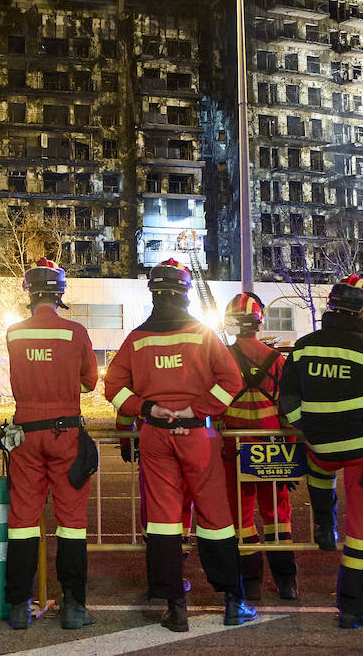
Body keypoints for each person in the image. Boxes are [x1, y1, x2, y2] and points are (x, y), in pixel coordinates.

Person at [103, 259, 255, 632]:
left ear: (153, 292)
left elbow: (113, 389)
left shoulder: (137, 338)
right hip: (199, 434)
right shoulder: (202, 334)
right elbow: (231, 381)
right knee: (216, 518)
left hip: (155, 435)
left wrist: (147, 408)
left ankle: (175, 606)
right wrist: (197, 408)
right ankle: (234, 602)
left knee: (163, 520)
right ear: (186, 293)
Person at [279, 274, 363, 630]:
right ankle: (354, 610)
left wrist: (307, 426)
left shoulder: (303, 346)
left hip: (320, 447)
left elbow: (287, 398)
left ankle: (323, 522)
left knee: (319, 471)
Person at [3, 258, 99, 631]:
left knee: (23, 520)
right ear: (60, 294)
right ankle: (74, 607)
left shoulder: (14, 333)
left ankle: (18, 608)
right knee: (72, 522)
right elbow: (90, 381)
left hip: (25, 433)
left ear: (28, 293)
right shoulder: (75, 332)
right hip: (65, 434)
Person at [220, 293, 298, 602]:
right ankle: (287, 583)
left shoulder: (221, 359)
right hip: (272, 450)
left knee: (242, 517)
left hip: (234, 449)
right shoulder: (278, 361)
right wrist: (290, 452)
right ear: (258, 323)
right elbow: (288, 413)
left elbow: (214, 405)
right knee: (277, 514)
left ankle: (250, 583)